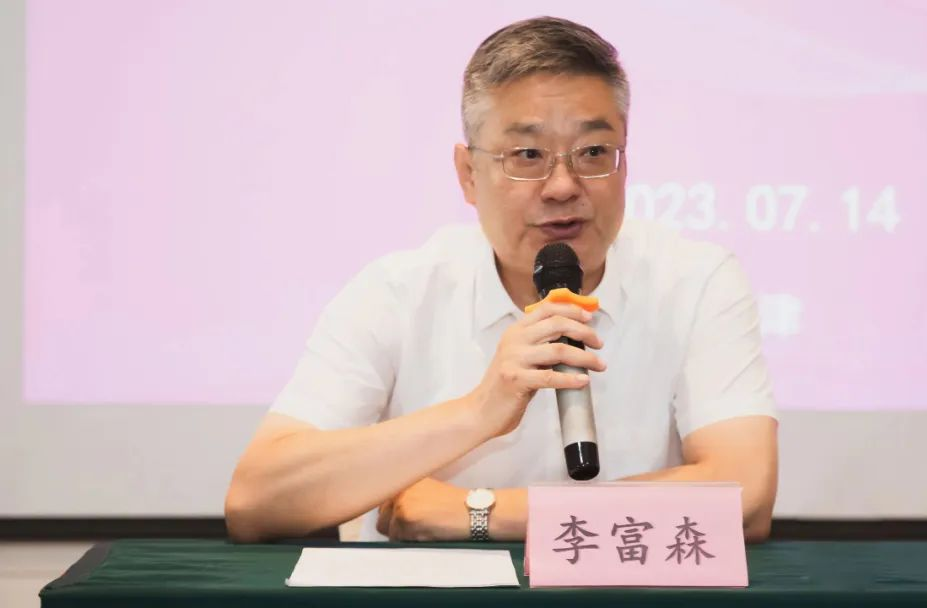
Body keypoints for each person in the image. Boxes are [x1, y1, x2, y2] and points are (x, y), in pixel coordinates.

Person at [225, 16, 778, 544]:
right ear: (468, 174)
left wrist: (478, 512)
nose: (562, 186)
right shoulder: (397, 293)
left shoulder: (696, 282)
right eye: (527, 155)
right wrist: (477, 412)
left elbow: (745, 496)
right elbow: (256, 501)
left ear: (624, 163)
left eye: (593, 152)